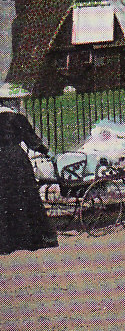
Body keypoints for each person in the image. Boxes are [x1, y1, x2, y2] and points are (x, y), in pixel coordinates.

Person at [0, 86, 56, 255]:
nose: (18, 103)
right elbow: (32, 140)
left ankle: (6, 242)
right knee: (25, 195)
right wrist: (46, 152)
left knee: (4, 198)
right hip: (15, 160)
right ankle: (30, 238)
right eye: (16, 100)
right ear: (10, 102)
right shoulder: (16, 118)